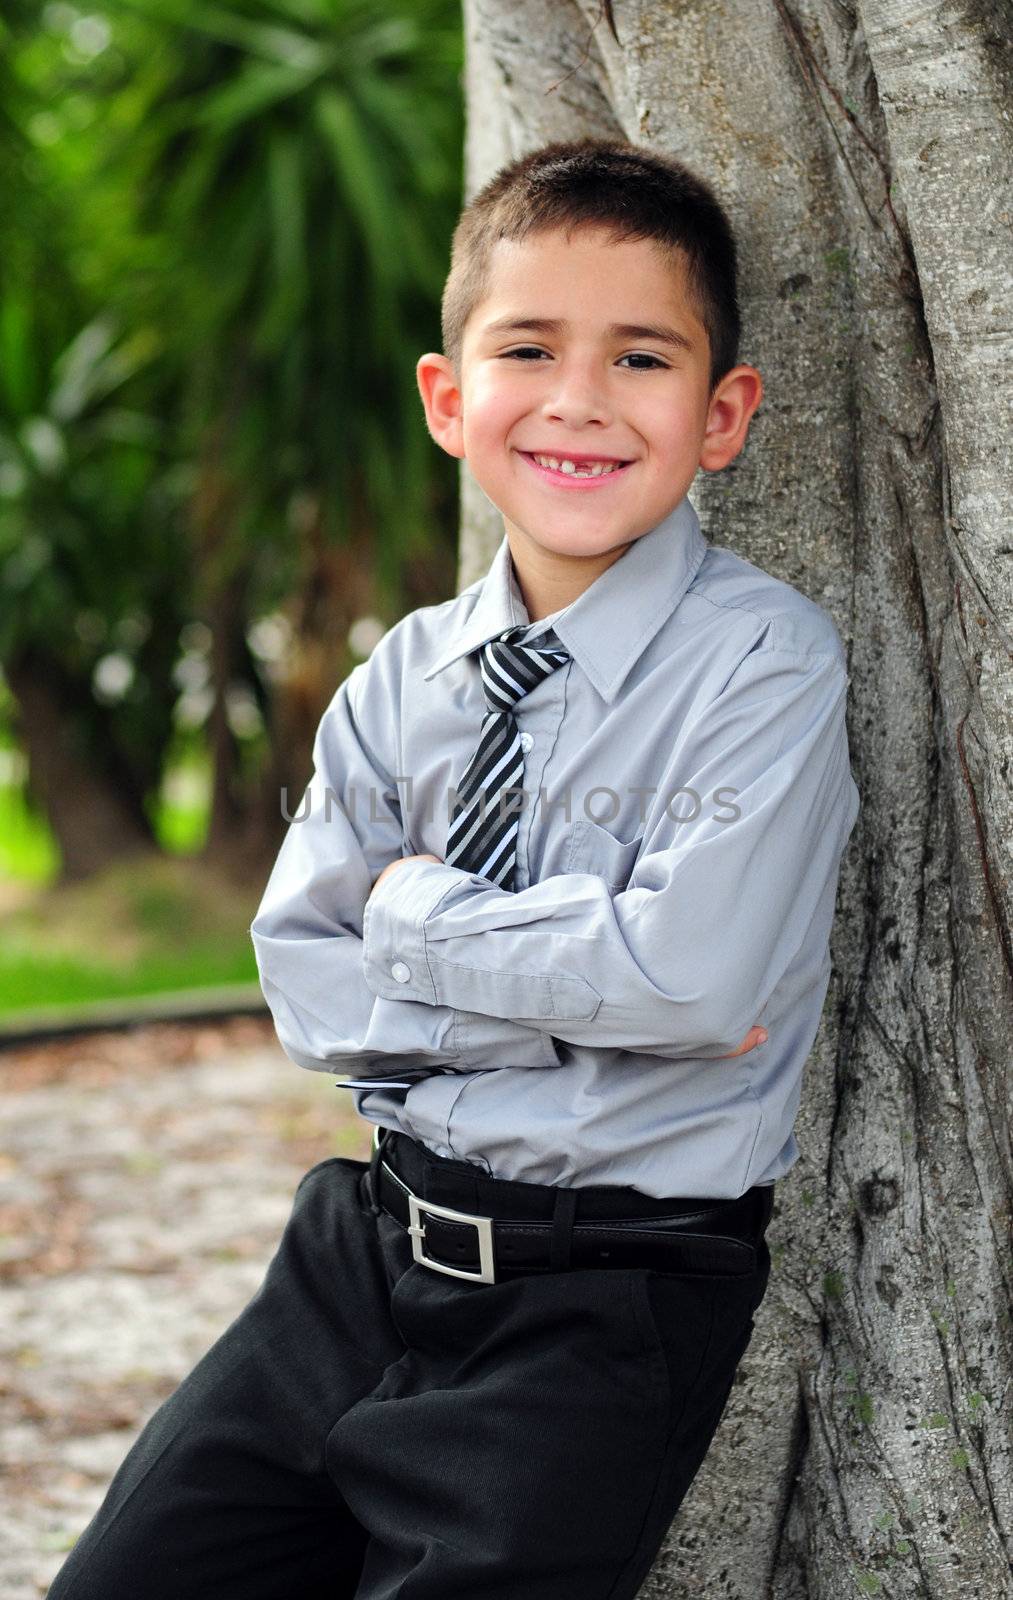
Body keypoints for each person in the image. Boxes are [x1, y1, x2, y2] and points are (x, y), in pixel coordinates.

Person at [48, 137, 859, 1599]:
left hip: (599, 1304)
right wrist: (585, 985)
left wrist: (413, 912)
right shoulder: (404, 678)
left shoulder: (761, 665)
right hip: (357, 1256)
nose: (578, 401)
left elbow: (690, 980)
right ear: (448, 397)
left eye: (640, 359)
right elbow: (303, 981)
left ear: (722, 412)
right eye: (529, 348)